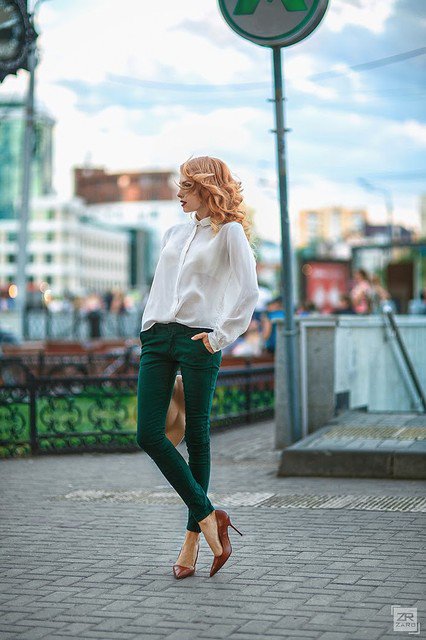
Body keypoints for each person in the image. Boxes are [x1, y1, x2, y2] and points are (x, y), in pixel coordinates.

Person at [137, 156, 259, 579]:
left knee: (196, 434)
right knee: (149, 433)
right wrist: (147, 326)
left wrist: (219, 336)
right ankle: (210, 517)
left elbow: (248, 292)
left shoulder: (230, 234)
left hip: (198, 340)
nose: (179, 193)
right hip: (158, 337)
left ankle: (192, 541)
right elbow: (161, 286)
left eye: (186, 186)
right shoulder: (174, 231)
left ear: (207, 188)